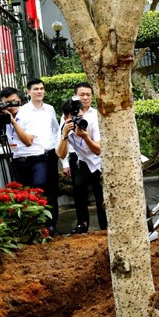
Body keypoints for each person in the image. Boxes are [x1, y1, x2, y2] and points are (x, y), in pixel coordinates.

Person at [11, 79, 61, 235]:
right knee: (38, 188)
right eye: (35, 89)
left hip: (50, 154)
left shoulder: (50, 109)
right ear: (28, 92)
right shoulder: (23, 111)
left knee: (52, 191)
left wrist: (54, 147)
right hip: (33, 156)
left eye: (41, 88)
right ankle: (38, 226)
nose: (39, 91)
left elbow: (55, 129)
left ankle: (52, 225)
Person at [56, 82, 106, 234]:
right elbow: (61, 153)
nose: (85, 98)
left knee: (100, 192)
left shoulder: (94, 116)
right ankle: (82, 223)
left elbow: (98, 149)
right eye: (81, 94)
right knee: (78, 189)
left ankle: (105, 224)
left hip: (98, 160)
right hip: (79, 159)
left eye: (88, 94)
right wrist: (65, 135)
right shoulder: (66, 119)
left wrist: (84, 136)